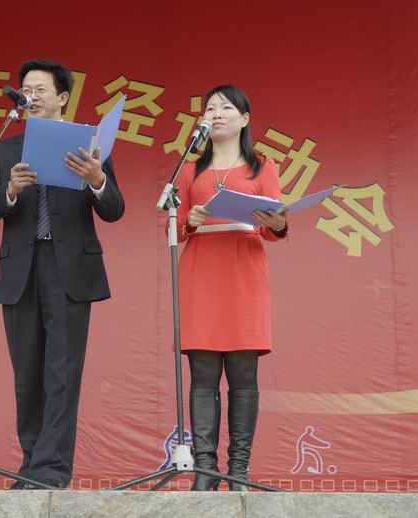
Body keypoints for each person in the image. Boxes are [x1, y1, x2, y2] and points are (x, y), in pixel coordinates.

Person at [0, 59, 124, 489]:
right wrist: (9, 191)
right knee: (27, 375)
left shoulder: (89, 145)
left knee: (62, 372)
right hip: (20, 270)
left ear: (62, 97)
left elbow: (114, 209)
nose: (31, 97)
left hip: (69, 269)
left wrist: (96, 179)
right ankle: (30, 467)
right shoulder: (6, 149)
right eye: (26, 90)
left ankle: (51, 471)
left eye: (40, 90)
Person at [173, 84, 288, 491]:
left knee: (243, 372)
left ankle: (238, 471)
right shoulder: (189, 168)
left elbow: (274, 225)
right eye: (210, 108)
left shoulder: (262, 166)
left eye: (225, 108)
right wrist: (190, 220)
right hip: (201, 269)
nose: (216, 114)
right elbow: (174, 225)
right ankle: (206, 470)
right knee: (203, 373)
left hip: (244, 269)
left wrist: (277, 222)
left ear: (245, 118)